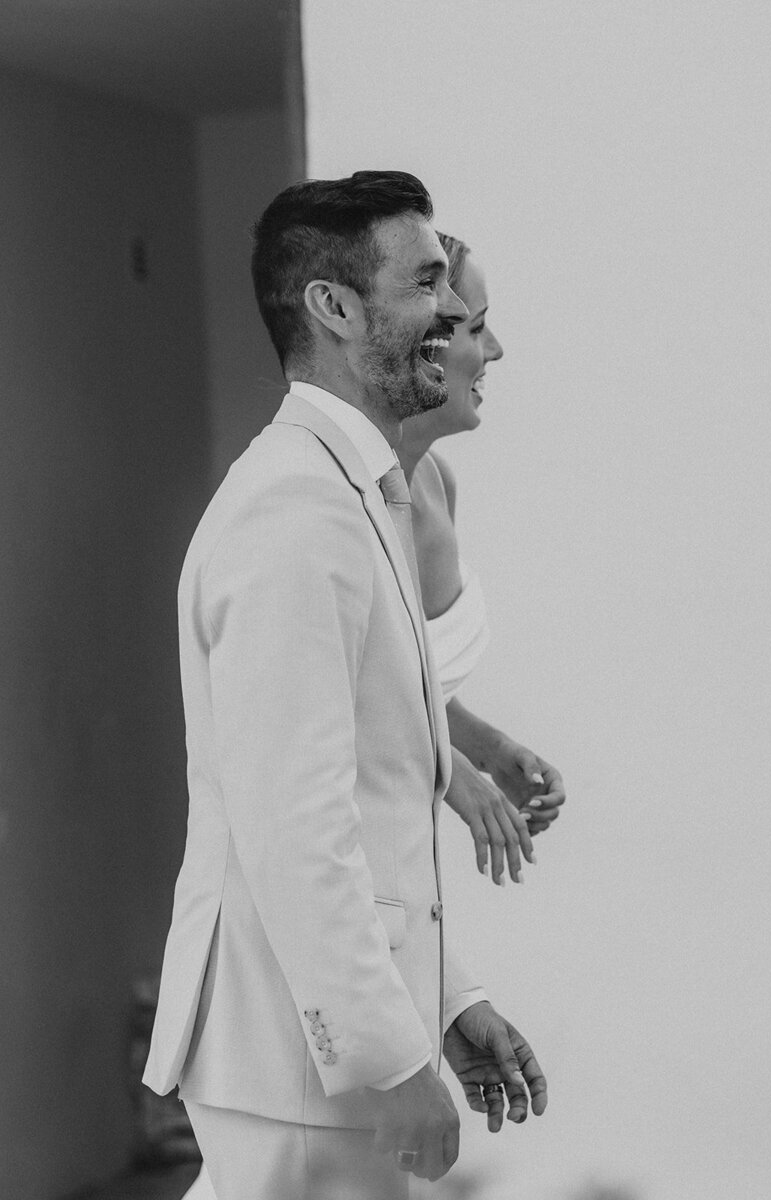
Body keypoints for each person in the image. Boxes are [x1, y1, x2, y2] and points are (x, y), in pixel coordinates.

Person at [144, 171, 547, 1200]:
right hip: (295, 1066)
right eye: (424, 285)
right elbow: (294, 824)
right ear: (333, 306)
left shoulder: (350, 492)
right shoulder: (294, 514)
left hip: (315, 1064)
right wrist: (386, 1055)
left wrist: (448, 1002)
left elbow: (379, 800)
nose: (451, 316)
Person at [401, 232, 566, 888]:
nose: (495, 351)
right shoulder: (341, 503)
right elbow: (349, 694)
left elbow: (408, 683)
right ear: (426, 344)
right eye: (479, 327)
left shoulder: (437, 480)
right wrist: (455, 778)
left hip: (407, 836)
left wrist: (488, 749)